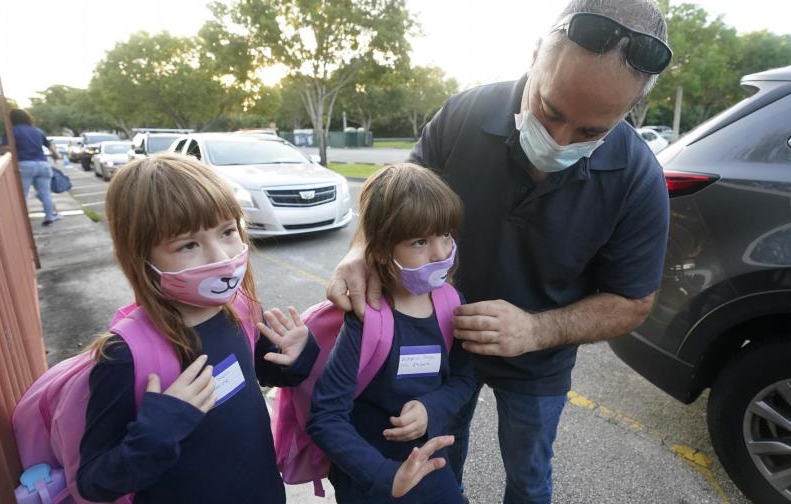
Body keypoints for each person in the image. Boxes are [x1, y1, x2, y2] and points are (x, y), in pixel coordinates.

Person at [326, 1, 672, 503]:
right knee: (437, 464)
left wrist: (535, 330)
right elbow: (393, 200)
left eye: (591, 132)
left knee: (529, 480)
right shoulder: (464, 114)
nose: (558, 141)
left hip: (538, 365)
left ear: (630, 109)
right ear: (535, 55)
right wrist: (359, 251)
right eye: (550, 111)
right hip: (435, 344)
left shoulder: (639, 177)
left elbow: (633, 301)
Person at [76, 153, 319, 503]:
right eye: (188, 245)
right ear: (140, 258)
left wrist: (297, 355)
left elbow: (267, 373)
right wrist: (158, 432)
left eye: (228, 232)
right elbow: (93, 482)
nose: (221, 257)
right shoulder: (124, 356)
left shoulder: (240, 309)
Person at [308, 163, 476, 504]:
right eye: (420, 242)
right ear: (382, 251)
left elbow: (464, 378)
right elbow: (326, 416)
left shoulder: (451, 302)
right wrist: (385, 476)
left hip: (430, 467)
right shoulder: (365, 320)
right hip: (369, 478)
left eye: (445, 235)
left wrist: (431, 408)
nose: (441, 253)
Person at [0, 109, 60, 225]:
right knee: (45, 193)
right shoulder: (37, 131)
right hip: (42, 164)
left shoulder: (12, 131)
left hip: (24, 164)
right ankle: (50, 216)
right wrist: (56, 156)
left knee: (22, 195)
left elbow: (7, 148)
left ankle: (21, 220)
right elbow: (50, 147)